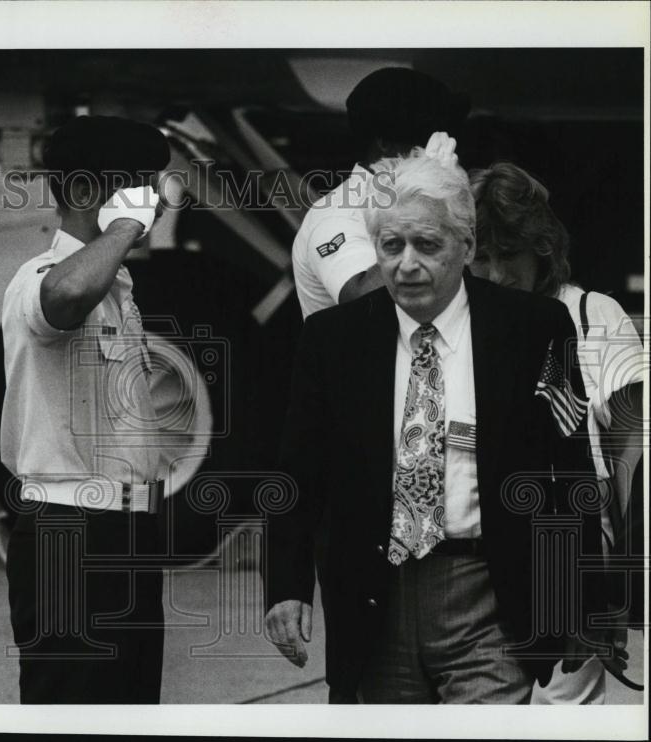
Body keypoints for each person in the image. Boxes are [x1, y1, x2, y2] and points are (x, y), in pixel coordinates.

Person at [263, 150, 617, 703]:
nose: (407, 264)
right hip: (373, 598)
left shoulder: (533, 329)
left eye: (427, 245)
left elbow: (565, 472)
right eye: (391, 246)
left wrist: (581, 602)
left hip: (489, 594)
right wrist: (286, 587)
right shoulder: (334, 341)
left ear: (466, 247)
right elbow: (297, 473)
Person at [1, 115, 171, 703]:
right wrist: (125, 225)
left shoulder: (115, 284)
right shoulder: (41, 276)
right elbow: (64, 298)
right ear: (81, 192)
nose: (156, 203)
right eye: (140, 186)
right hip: (69, 534)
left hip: (125, 531)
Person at [470, 161, 644, 704]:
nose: (497, 274)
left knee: (564, 714)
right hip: (475, 551)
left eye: (510, 256)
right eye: (483, 258)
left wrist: (613, 579)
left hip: (569, 543)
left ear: (542, 246)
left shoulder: (593, 314)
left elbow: (630, 457)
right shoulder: (455, 325)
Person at [291, 66, 470, 317]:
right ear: (384, 142)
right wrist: (428, 201)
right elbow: (365, 301)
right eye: (427, 136)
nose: (444, 147)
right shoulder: (338, 214)